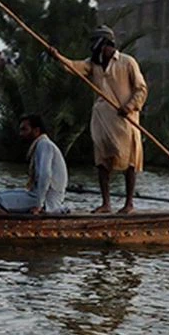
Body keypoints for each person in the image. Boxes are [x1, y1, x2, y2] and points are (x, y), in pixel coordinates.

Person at [64, 25, 148, 213]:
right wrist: (57, 57)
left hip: (125, 121)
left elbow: (141, 89)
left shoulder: (127, 62)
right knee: (102, 163)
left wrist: (129, 106)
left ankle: (129, 204)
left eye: (96, 43)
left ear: (105, 44)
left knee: (130, 163)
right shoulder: (93, 64)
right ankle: (106, 204)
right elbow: (73, 66)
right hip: (103, 120)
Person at [0, 114, 68, 214]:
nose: (21, 134)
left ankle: (11, 226)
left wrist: (39, 205)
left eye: (24, 129)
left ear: (36, 131)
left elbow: (45, 176)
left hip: (46, 201)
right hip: (38, 196)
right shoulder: (40, 144)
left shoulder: (44, 144)